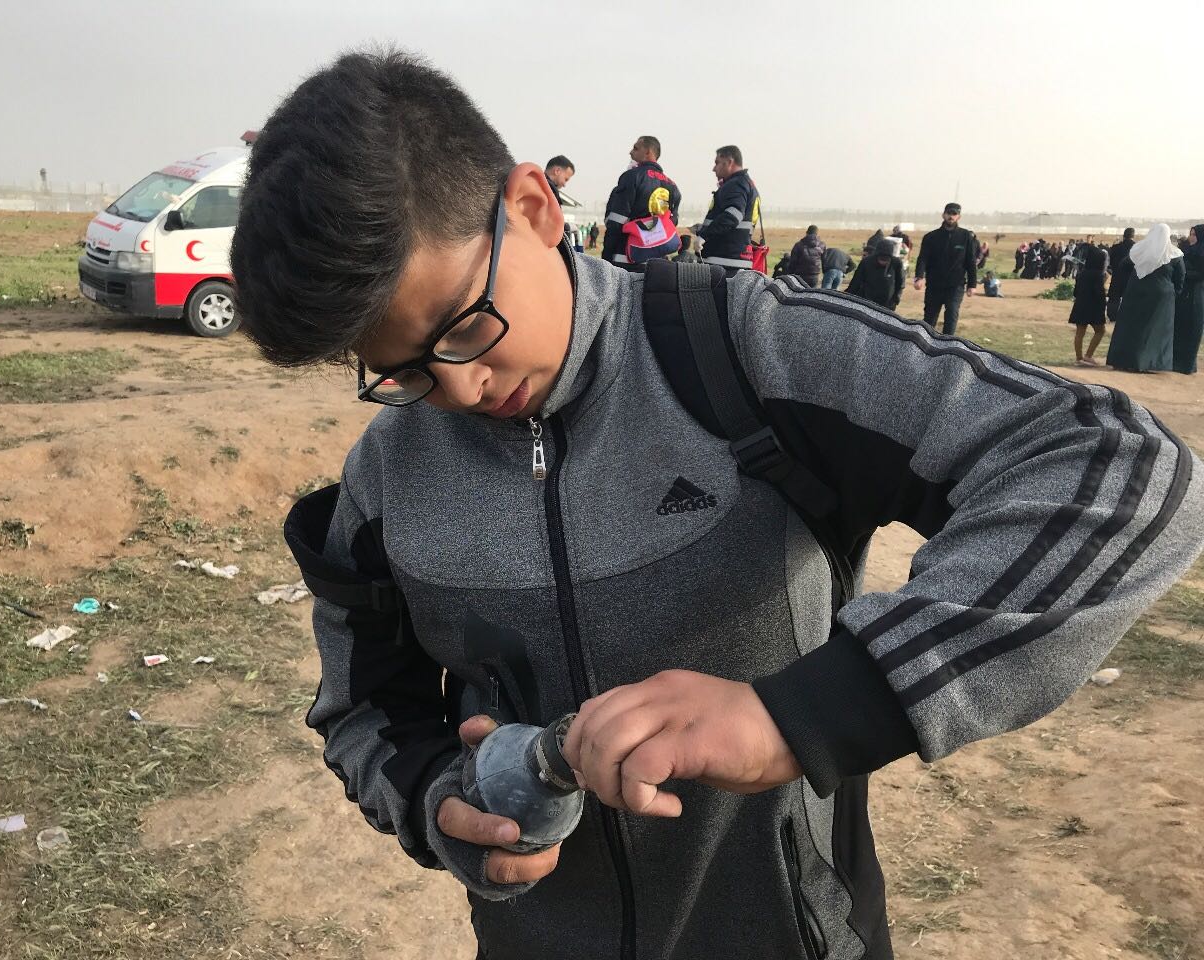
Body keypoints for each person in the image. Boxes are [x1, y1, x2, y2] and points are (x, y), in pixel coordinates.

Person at [230, 50, 1204, 960]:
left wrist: (800, 716)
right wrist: (434, 799)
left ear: (532, 208)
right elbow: (365, 709)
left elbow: (1119, 466)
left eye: (463, 326)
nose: (459, 388)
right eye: (400, 371)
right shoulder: (387, 477)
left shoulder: (747, 352)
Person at [1106, 224, 1185, 372]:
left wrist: (1131, 281)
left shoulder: (1139, 250)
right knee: (1154, 331)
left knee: (1129, 327)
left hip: (1135, 293)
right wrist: (1173, 294)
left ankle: (1122, 360)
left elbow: (1123, 265)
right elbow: (1180, 278)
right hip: (1161, 297)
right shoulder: (1174, 254)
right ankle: (1148, 363)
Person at [600, 136, 682, 266]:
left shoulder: (632, 176)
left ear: (648, 152)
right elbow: (672, 222)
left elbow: (616, 221)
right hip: (657, 262)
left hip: (626, 257)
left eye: (636, 148)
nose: (631, 152)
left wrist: (606, 256)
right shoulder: (673, 187)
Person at [914, 202, 978, 335]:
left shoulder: (966, 236)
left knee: (951, 315)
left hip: (955, 285)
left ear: (959, 217)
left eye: (954, 214)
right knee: (929, 318)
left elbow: (970, 261)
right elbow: (923, 258)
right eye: (949, 213)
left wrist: (972, 285)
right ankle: (925, 343)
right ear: (943, 215)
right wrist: (919, 277)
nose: (951, 216)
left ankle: (948, 344)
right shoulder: (931, 237)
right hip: (934, 284)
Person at [697, 145, 761, 272]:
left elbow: (733, 216)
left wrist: (704, 235)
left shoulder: (735, 184)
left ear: (729, 162)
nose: (714, 169)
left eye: (717, 163)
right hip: (735, 260)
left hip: (723, 262)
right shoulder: (747, 184)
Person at [1068, 243, 1108, 366]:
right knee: (1100, 331)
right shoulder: (1099, 275)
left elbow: (1075, 292)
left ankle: (1079, 358)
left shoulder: (1081, 274)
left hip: (1080, 305)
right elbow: (1099, 293)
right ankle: (1088, 355)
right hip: (1094, 307)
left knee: (1080, 333)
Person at [1173, 224, 1204, 374]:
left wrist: (1184, 273)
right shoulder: (1188, 250)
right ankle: (1177, 361)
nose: (1191, 237)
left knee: (1192, 328)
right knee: (1180, 327)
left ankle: (1186, 364)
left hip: (1196, 295)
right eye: (1190, 234)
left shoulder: (1201, 253)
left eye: (1194, 234)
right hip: (1184, 294)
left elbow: (1200, 275)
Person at [846, 238, 904, 308]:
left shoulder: (896, 263)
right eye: (881, 259)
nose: (883, 262)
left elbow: (900, 283)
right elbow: (856, 282)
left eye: (886, 259)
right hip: (867, 301)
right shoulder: (866, 262)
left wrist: (896, 299)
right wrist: (847, 297)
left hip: (887, 304)